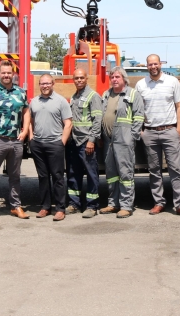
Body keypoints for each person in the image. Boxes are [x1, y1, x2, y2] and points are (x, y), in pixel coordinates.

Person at [135, 54, 180, 217]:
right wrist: (142, 130)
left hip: (170, 131)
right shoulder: (141, 85)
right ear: (146, 66)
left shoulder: (171, 81)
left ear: (161, 64)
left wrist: (178, 130)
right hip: (150, 132)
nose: (153, 66)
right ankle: (158, 202)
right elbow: (138, 109)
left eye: (156, 63)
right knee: (154, 170)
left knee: (175, 170)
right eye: (150, 64)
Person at [0, 60, 31, 222]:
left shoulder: (21, 92)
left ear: (13, 74)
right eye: (3, 73)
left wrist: (25, 131)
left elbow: (26, 112)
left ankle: (15, 206)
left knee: (15, 176)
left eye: (9, 73)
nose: (6, 75)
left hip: (15, 140)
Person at [98, 67, 144, 218]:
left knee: (125, 173)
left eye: (117, 76)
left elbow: (139, 116)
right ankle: (113, 203)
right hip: (108, 140)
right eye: (112, 77)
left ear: (124, 79)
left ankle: (126, 205)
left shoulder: (132, 94)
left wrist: (132, 136)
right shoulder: (106, 94)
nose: (114, 79)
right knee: (111, 174)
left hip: (124, 140)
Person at [28, 74, 73, 221]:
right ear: (39, 85)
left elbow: (68, 123)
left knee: (58, 177)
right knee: (43, 177)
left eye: (48, 83)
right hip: (38, 144)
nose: (45, 86)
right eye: (42, 83)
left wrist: (61, 142)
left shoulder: (61, 101)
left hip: (55, 144)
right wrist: (31, 138)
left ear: (53, 83)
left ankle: (60, 209)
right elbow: (29, 121)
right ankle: (45, 207)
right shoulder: (34, 102)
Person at [67, 68, 103, 218]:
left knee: (91, 174)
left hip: (86, 142)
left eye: (82, 78)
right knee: (73, 173)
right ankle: (74, 204)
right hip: (74, 141)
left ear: (86, 79)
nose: (79, 80)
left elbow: (97, 120)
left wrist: (91, 141)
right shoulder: (74, 97)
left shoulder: (93, 96)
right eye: (76, 78)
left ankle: (92, 206)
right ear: (73, 80)